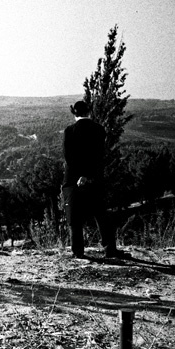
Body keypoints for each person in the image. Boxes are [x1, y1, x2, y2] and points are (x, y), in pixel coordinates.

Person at [61, 100, 120, 258]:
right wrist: (88, 176)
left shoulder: (69, 131)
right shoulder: (99, 129)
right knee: (101, 214)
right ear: (89, 111)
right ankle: (109, 248)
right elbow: (99, 156)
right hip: (94, 177)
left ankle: (78, 252)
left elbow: (69, 157)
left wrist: (79, 175)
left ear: (74, 113)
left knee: (75, 217)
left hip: (73, 179)